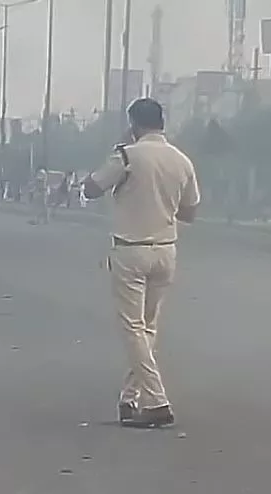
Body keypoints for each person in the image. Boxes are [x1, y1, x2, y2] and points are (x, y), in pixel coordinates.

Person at [83, 97, 200, 429]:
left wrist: (119, 150)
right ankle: (130, 397)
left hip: (131, 251)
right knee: (147, 328)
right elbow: (190, 212)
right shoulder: (182, 161)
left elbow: (90, 189)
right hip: (166, 250)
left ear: (134, 124)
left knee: (133, 328)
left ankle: (157, 401)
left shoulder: (126, 156)